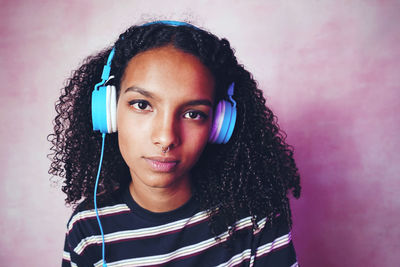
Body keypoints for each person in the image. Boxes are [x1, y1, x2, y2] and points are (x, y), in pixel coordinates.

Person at [48, 20, 301, 267]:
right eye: (142, 105)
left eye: (193, 114)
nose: (167, 138)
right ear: (108, 114)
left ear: (218, 126)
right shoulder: (89, 228)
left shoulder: (256, 218)